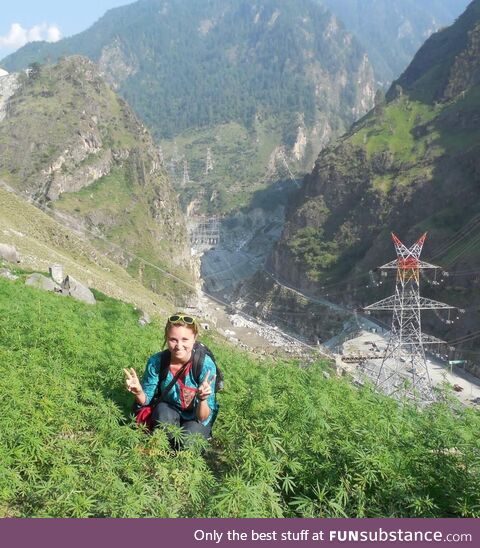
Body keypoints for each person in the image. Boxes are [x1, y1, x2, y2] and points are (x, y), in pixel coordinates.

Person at [124, 313, 218, 443]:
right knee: (162, 413)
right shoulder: (157, 361)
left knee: (188, 442)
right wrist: (139, 392)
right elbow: (146, 401)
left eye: (185, 339)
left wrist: (202, 399)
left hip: (195, 417)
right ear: (166, 338)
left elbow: (203, 418)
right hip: (168, 410)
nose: (179, 346)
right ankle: (162, 447)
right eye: (173, 339)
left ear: (194, 338)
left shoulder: (205, 366)